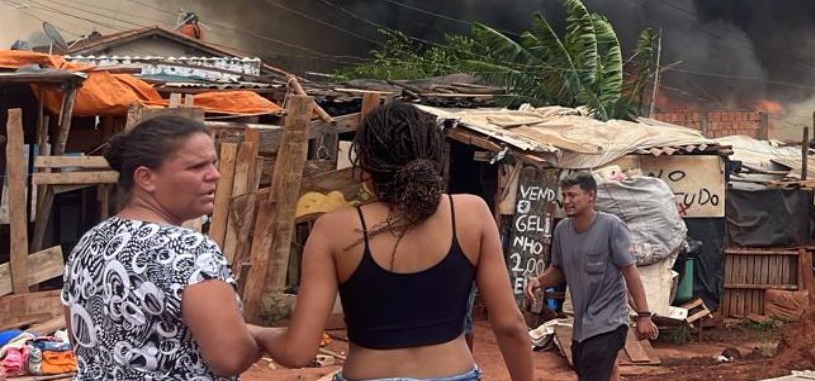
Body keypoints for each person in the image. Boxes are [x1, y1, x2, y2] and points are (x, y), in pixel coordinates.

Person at [252, 101, 533, 381]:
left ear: (365, 162)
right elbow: (510, 325)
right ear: (433, 155)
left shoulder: (333, 231)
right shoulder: (472, 214)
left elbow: (298, 352)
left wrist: (258, 333)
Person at [60, 113, 263, 381]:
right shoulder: (188, 250)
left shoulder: (89, 243)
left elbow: (80, 338)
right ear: (146, 178)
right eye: (197, 167)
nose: (215, 175)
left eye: (213, 163)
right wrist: (261, 339)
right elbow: (231, 357)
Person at [525, 174, 658, 381]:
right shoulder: (562, 231)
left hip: (609, 321)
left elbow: (630, 272)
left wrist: (644, 315)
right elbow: (559, 270)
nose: (567, 201)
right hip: (581, 327)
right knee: (593, 369)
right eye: (564, 195)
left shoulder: (611, 227)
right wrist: (539, 281)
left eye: (572, 195)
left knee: (593, 372)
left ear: (590, 196)